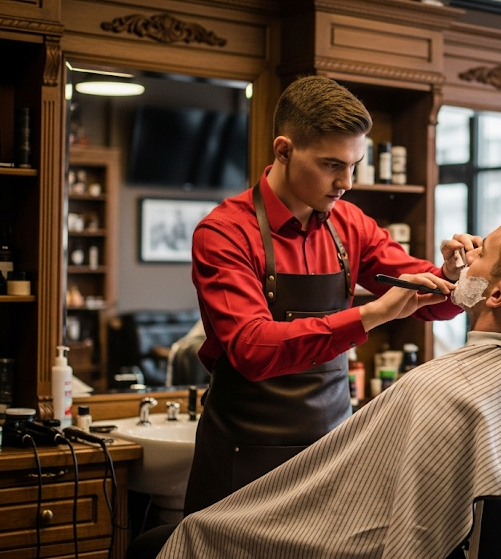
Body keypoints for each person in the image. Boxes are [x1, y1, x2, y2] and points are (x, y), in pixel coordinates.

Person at [158, 204, 501, 558]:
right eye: (336, 165)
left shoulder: (437, 394)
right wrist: (454, 274)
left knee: (198, 534)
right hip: (239, 441)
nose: (466, 254)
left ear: (497, 292)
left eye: (481, 251)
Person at [184, 75, 477, 515]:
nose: (347, 182)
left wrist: (452, 277)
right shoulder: (224, 233)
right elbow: (252, 348)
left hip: (331, 446)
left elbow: (420, 291)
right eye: (331, 165)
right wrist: (368, 316)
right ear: (283, 150)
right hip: (244, 452)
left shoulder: (350, 224)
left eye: (354, 165)